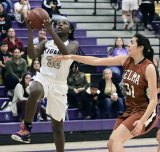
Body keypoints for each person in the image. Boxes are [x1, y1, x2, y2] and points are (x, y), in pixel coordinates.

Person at [55, 33, 158, 152]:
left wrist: (141, 121)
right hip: (130, 110)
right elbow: (96, 61)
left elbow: (154, 100)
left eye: (132, 42)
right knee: (111, 145)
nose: (128, 45)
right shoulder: (126, 60)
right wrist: (72, 57)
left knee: (116, 141)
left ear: (141, 47)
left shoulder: (148, 67)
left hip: (144, 112)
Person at [11, 18, 79, 152]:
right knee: (35, 90)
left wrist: (50, 31)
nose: (60, 24)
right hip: (43, 77)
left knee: (57, 128)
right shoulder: (45, 43)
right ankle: (26, 129)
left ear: (70, 30)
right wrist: (30, 32)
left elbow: (65, 52)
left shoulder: (73, 43)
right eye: (58, 22)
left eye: (64, 23)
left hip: (59, 85)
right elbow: (31, 54)